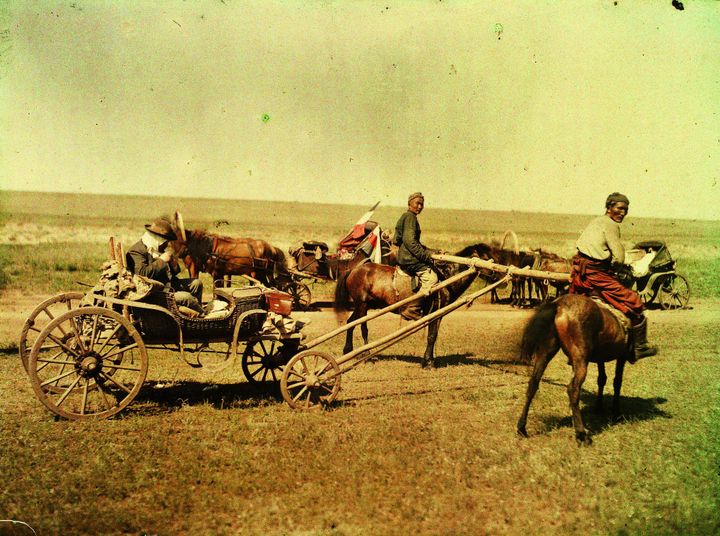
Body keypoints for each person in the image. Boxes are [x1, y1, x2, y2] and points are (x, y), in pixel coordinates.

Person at [569, 192, 658, 362]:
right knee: (634, 301)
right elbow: (619, 256)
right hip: (597, 273)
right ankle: (640, 347)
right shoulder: (611, 225)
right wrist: (618, 265)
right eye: (619, 208)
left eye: (626, 209)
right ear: (609, 207)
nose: (623, 213)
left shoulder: (596, 221)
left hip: (582, 271)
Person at [126, 216, 204, 313]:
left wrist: (173, 264)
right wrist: (162, 261)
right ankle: (200, 316)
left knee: (196, 283)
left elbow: (171, 273)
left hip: (167, 286)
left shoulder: (156, 249)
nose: (166, 245)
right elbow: (142, 274)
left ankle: (193, 315)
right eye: (165, 242)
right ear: (157, 239)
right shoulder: (136, 251)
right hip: (153, 293)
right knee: (187, 298)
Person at [393, 192, 438, 320]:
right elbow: (410, 242)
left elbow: (397, 240)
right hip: (409, 259)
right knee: (432, 278)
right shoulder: (410, 217)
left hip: (404, 256)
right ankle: (413, 308)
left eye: (422, 204)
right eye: (417, 203)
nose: (419, 207)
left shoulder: (405, 216)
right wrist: (426, 256)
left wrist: (431, 250)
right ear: (409, 203)